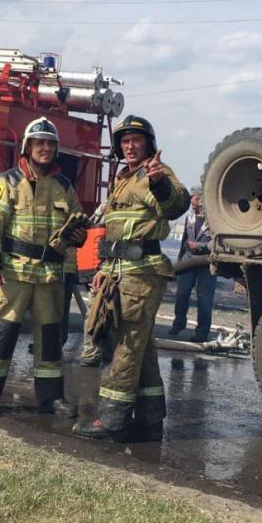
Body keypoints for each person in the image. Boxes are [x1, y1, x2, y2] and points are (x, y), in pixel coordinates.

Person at [72, 116, 189, 441]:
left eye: (136, 139)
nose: (129, 145)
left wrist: (159, 183)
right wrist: (103, 272)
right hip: (119, 272)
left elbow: (176, 205)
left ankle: (111, 419)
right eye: (124, 140)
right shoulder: (123, 180)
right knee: (141, 347)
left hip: (142, 274)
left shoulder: (156, 174)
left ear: (148, 144)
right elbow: (116, 233)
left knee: (123, 345)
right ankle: (150, 418)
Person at [0, 117, 87, 418]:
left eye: (50, 143)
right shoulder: (7, 182)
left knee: (50, 338)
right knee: (2, 332)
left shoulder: (64, 185)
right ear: (28, 147)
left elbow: (76, 221)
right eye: (40, 143)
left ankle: (50, 399)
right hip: (13, 273)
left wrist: (79, 235)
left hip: (50, 275)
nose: (45, 148)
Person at [169, 187, 216, 342]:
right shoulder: (189, 218)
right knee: (182, 293)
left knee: (204, 298)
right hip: (188, 262)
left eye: (194, 198)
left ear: (202, 200)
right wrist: (179, 263)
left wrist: (198, 246)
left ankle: (202, 333)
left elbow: (217, 244)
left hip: (206, 264)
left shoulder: (214, 220)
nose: (191, 202)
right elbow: (183, 242)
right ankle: (178, 323)